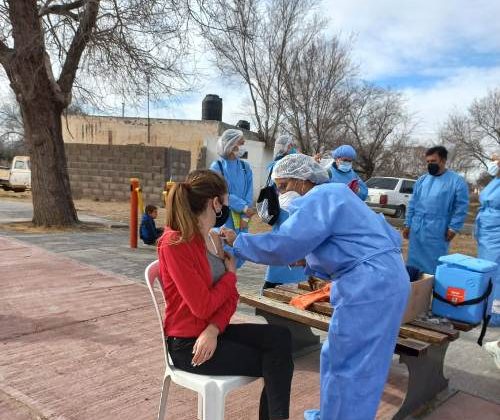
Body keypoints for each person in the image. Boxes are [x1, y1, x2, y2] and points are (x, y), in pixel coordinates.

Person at [220, 154, 410, 420]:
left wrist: (239, 242)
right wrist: (307, 257)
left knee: (351, 364)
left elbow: (283, 244)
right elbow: (345, 241)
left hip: (370, 286)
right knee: (346, 358)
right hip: (381, 280)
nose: (281, 193)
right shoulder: (337, 195)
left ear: (303, 180)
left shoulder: (323, 197)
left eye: (284, 185)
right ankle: (333, 414)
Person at [157, 170, 293, 420]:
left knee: (281, 338)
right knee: (274, 361)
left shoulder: (209, 239)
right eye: (226, 203)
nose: (227, 210)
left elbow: (231, 298)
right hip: (187, 345)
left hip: (210, 333)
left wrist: (213, 329)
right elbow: (202, 306)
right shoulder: (174, 243)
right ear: (214, 202)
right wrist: (229, 276)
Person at [403, 146, 469, 274]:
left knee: (434, 264)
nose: (430, 164)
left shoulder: (456, 181)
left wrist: (453, 227)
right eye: (428, 162)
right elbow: (413, 203)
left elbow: (461, 207)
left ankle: (433, 290)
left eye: (433, 161)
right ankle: (416, 291)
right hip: (417, 228)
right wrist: (408, 223)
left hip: (438, 230)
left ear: (443, 160)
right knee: (413, 265)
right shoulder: (422, 180)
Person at [210, 129, 255, 267]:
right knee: (223, 258)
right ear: (231, 144)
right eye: (241, 143)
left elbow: (249, 193)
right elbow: (220, 194)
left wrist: (246, 216)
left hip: (242, 221)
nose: (243, 146)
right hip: (224, 219)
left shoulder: (245, 167)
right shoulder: (217, 167)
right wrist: (243, 207)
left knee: (239, 253)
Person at [476, 155, 500, 353]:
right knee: (488, 272)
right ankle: (486, 309)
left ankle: (495, 313)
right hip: (487, 233)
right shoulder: (496, 182)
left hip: (496, 235)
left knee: (497, 276)